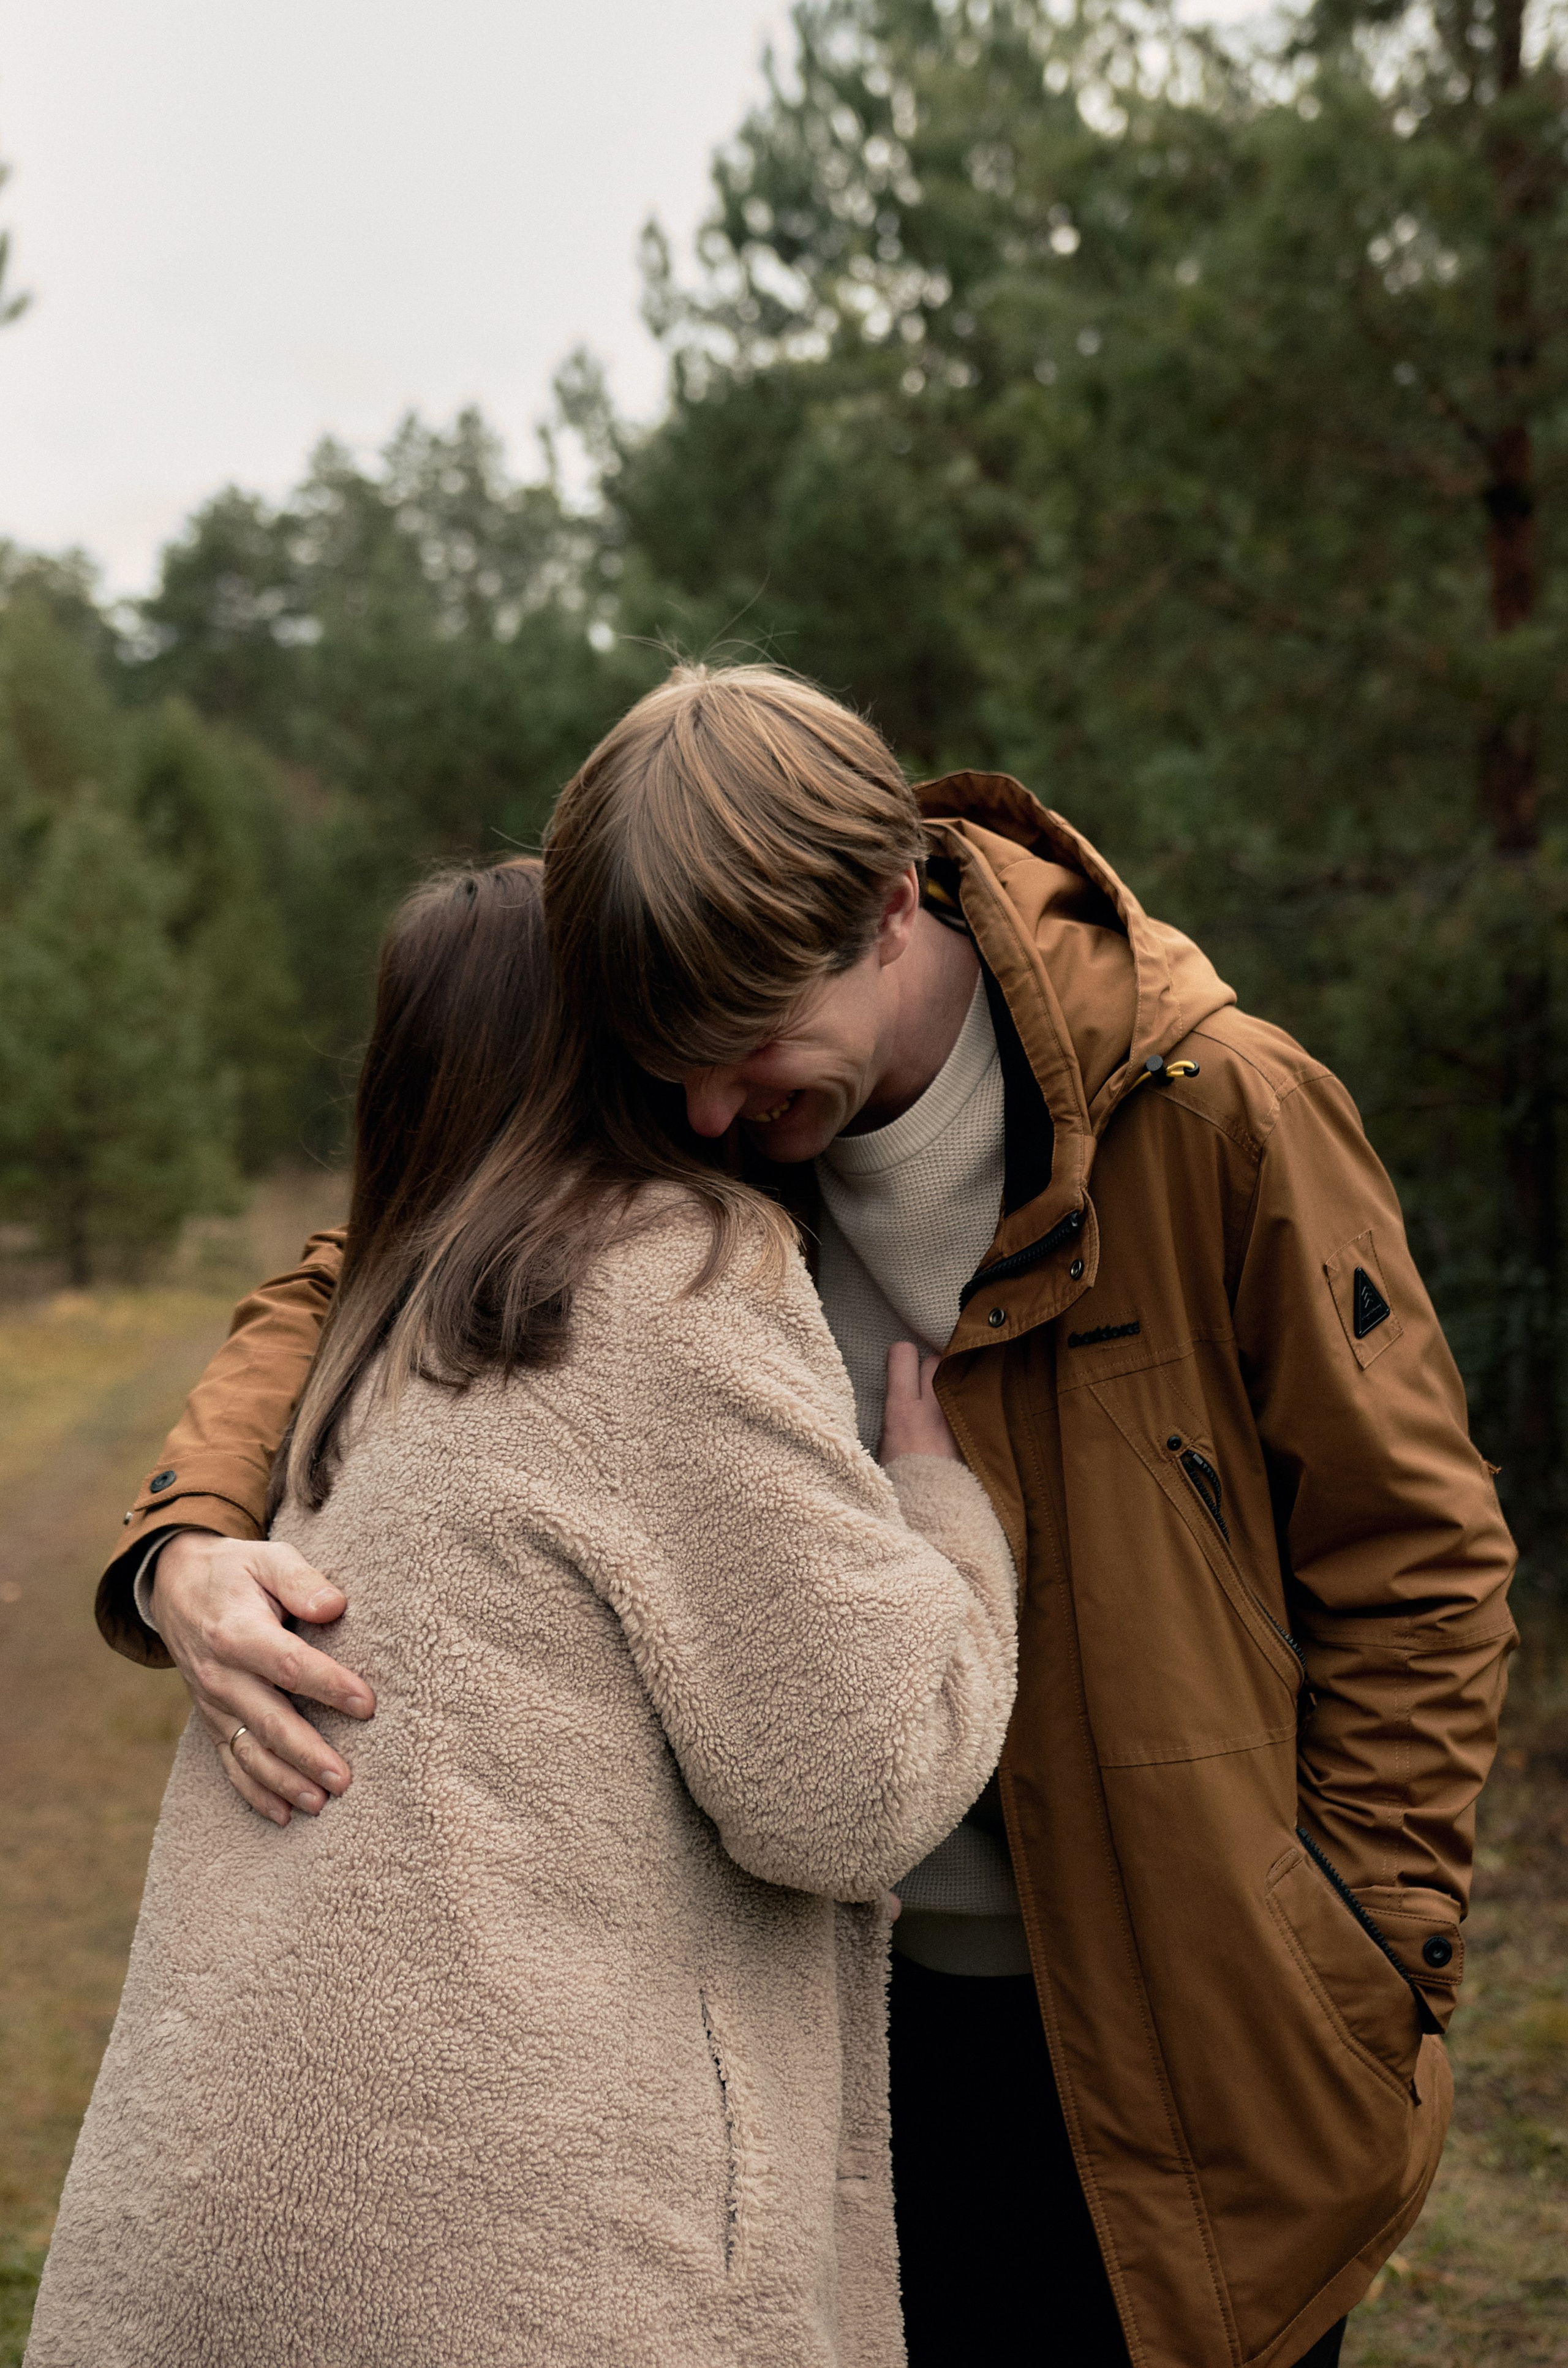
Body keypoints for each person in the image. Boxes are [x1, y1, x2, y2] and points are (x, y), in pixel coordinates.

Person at [94, 665, 1516, 2368]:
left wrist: (1366, 1974)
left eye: (749, 1047)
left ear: (888, 897)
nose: (704, 1114)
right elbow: (364, 1265)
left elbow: (1415, 1559)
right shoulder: (713, 1056)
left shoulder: (1216, 1113)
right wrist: (184, 1542)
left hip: (1188, 2032)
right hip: (817, 2039)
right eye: (670, 1065)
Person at [28, 855, 1018, 2368]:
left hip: (214, 2216)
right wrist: (940, 1509)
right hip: (535, 2261)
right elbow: (853, 1782)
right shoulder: (669, 1281)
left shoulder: (386, 1312)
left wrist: (183, 1538)